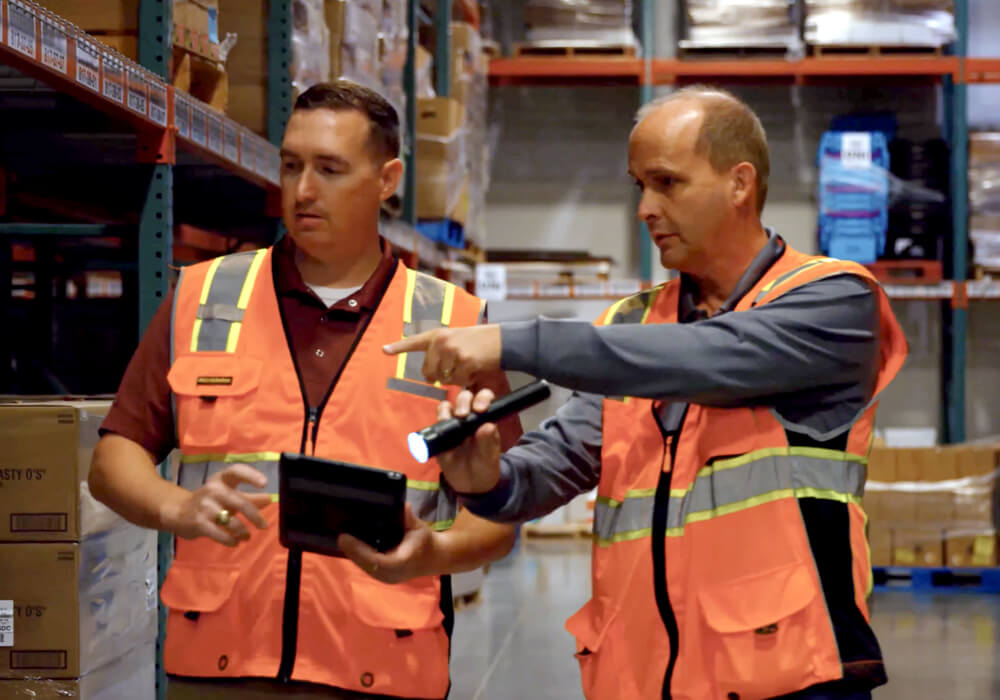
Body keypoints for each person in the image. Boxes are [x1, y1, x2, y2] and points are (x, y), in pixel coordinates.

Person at [386, 86, 908, 700]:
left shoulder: (833, 301)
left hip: (788, 676)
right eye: (639, 185)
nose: (645, 208)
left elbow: (703, 356)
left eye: (666, 182)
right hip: (643, 678)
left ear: (740, 184)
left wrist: (512, 341)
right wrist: (486, 478)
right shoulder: (635, 324)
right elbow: (554, 465)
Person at [89, 80, 519, 700]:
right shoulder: (204, 298)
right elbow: (114, 457)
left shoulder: (452, 324)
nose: (304, 190)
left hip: (381, 669)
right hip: (219, 668)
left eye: (330, 169)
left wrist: (433, 552)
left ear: (387, 179)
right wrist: (174, 508)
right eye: (291, 166)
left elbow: (500, 515)